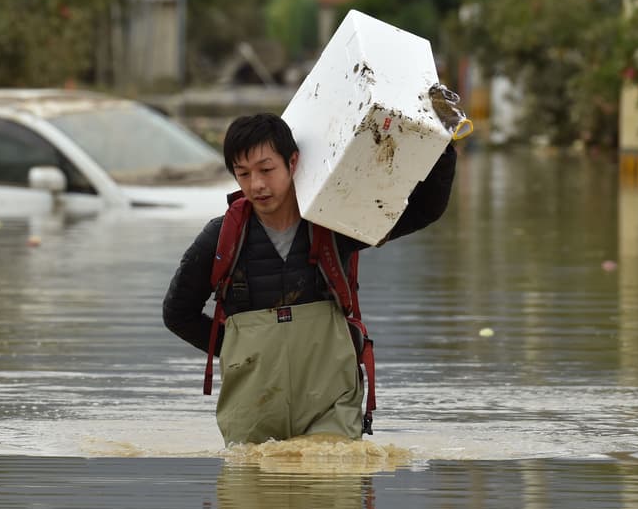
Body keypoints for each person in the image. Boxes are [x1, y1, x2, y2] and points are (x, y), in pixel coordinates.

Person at [162, 113, 457, 445]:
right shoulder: (220, 238)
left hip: (330, 403)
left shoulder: (334, 224)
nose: (256, 184)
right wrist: (237, 353)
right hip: (252, 409)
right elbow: (177, 314)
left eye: (266, 169)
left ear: (292, 162)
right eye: (243, 174)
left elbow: (423, 209)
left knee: (331, 483)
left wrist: (440, 145)